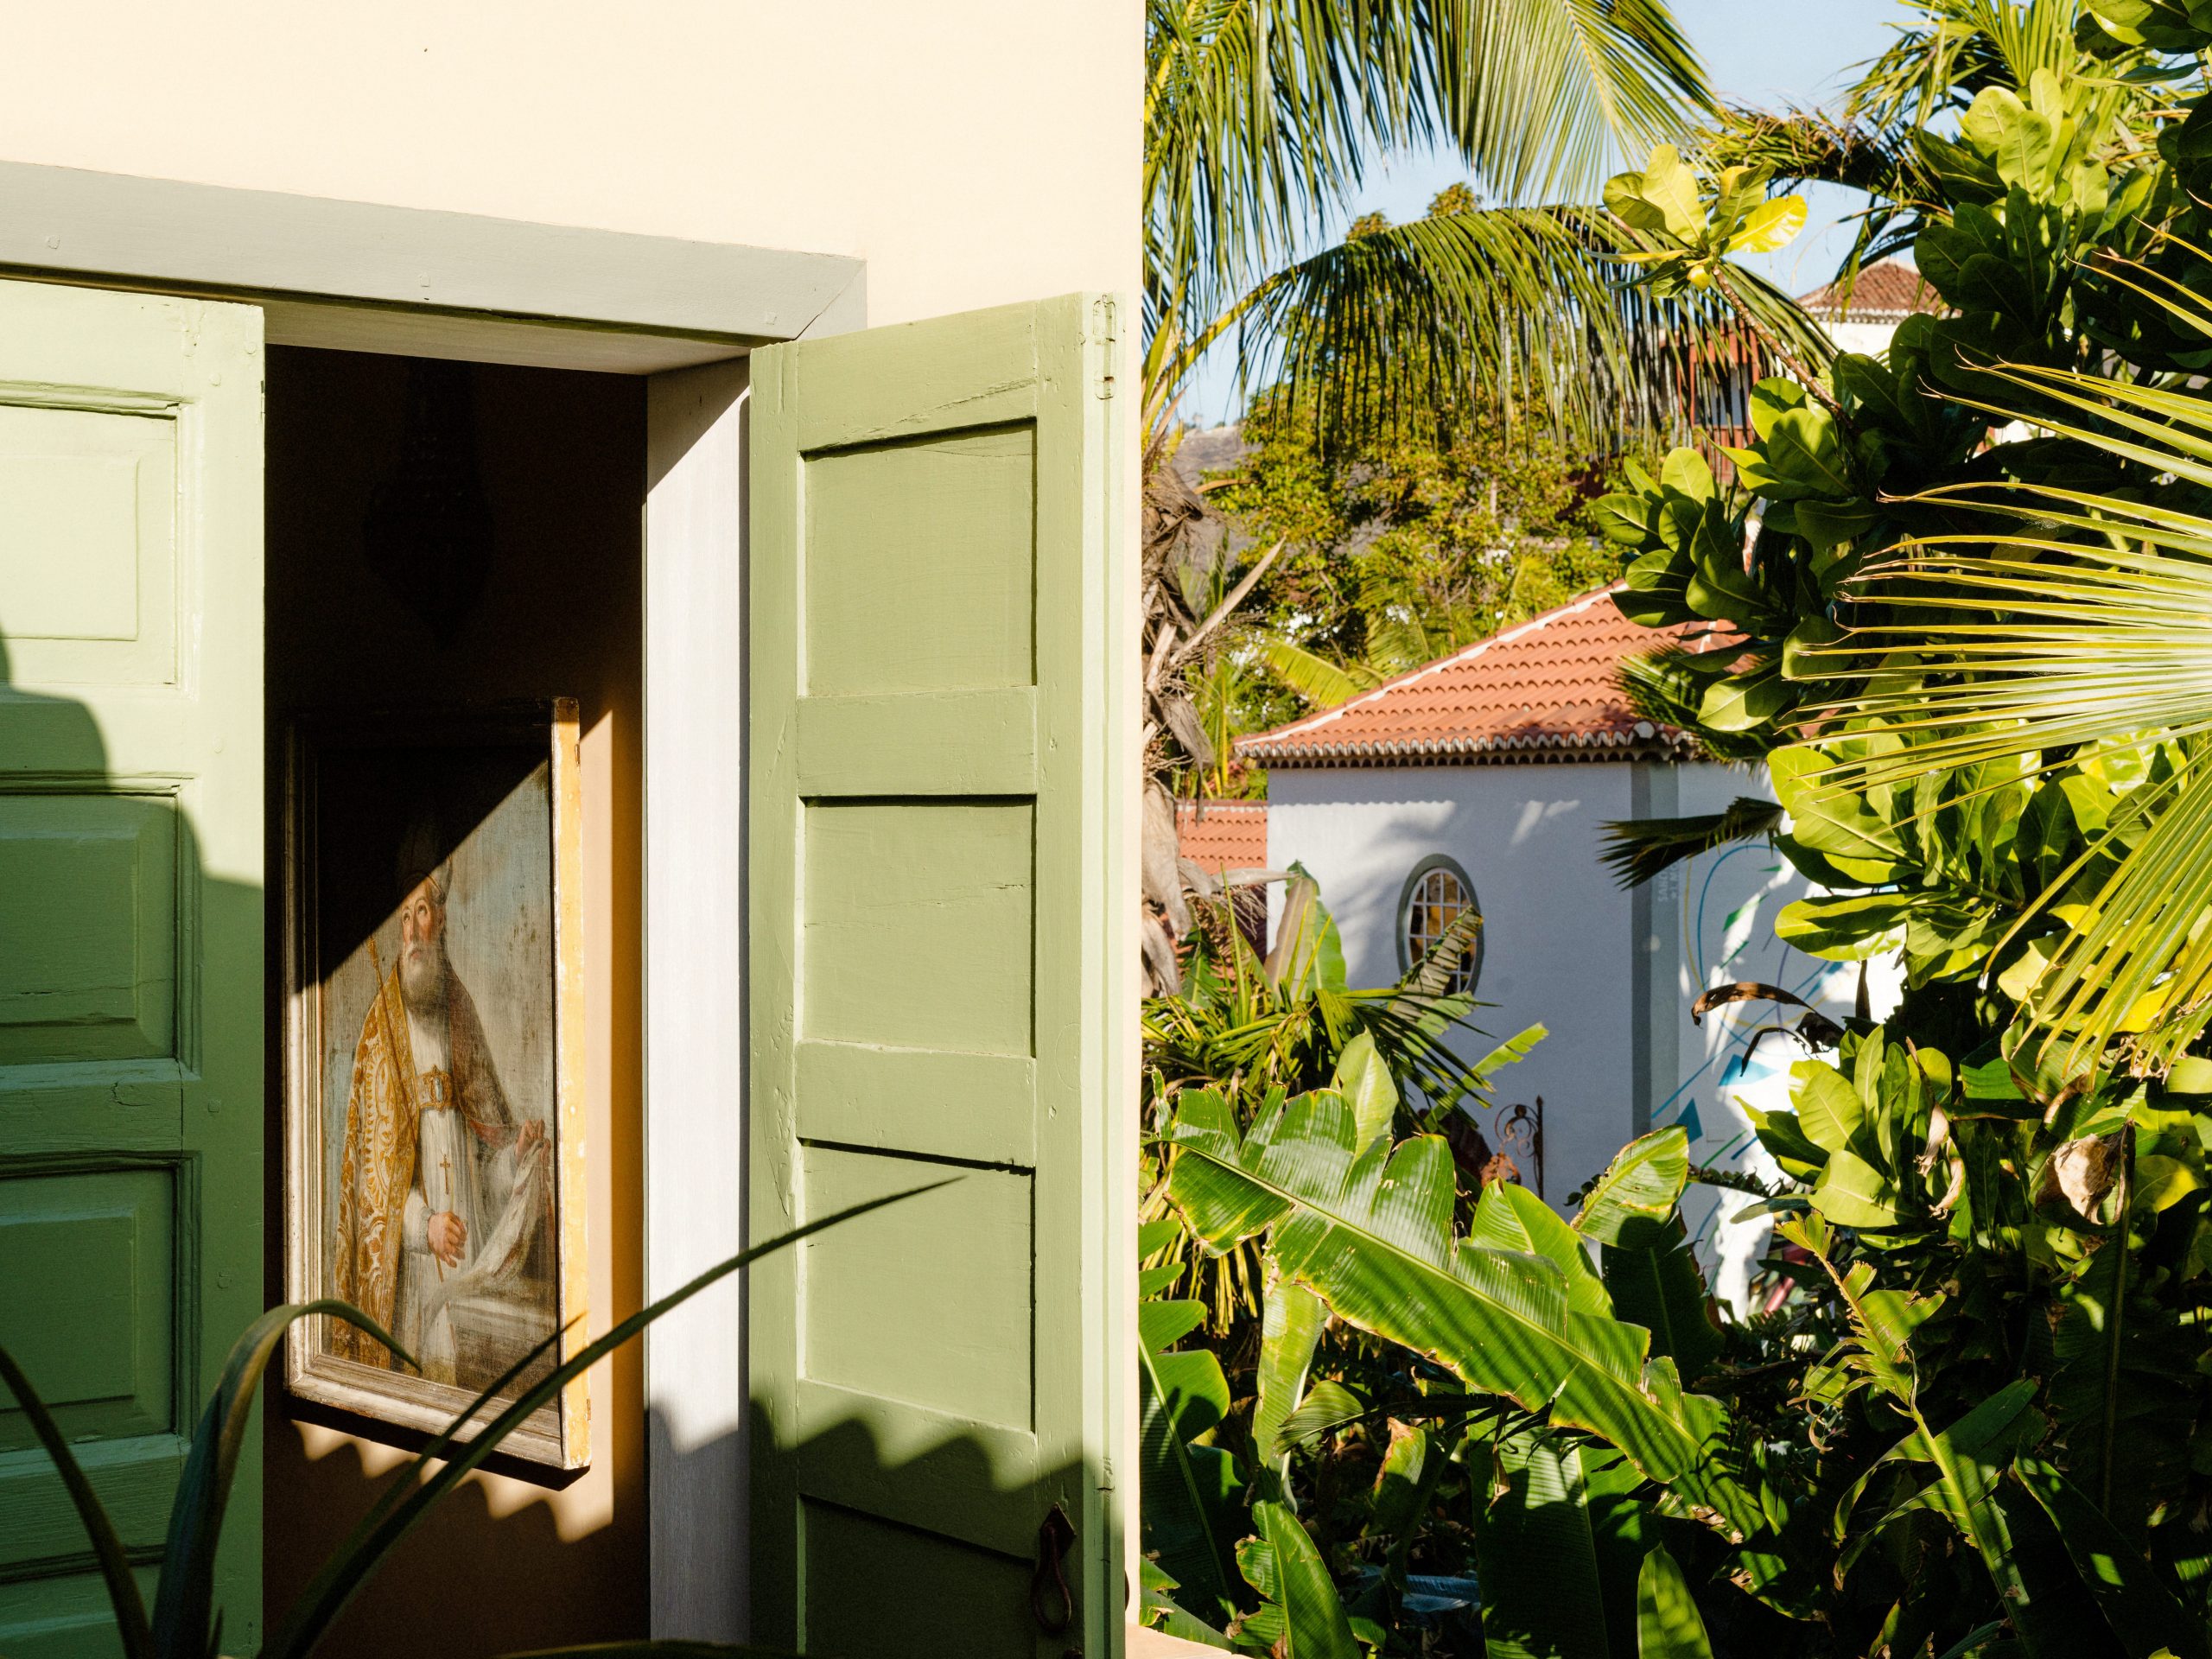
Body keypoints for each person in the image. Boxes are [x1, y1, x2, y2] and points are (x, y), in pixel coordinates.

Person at [332, 819, 550, 1388]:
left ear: (442, 918)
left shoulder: (461, 1012)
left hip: (470, 1256)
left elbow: (486, 1160)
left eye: (421, 913)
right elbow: (371, 1186)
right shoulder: (381, 1031)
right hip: (415, 1278)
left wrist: (514, 1155)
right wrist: (424, 1225)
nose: (411, 933)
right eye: (402, 918)